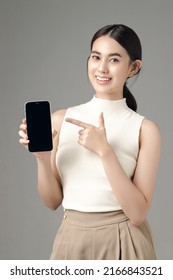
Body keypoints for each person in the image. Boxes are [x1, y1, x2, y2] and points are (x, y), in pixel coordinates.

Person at [19, 24, 161, 260]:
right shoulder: (60, 120)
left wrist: (105, 151)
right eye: (96, 57)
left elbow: (137, 214)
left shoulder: (145, 130)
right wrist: (42, 159)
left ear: (133, 68)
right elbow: (52, 201)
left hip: (125, 240)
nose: (102, 68)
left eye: (114, 60)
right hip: (72, 238)